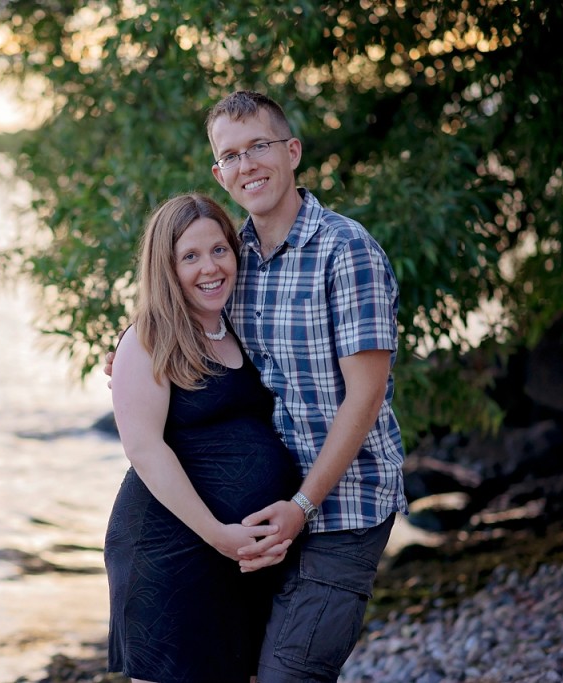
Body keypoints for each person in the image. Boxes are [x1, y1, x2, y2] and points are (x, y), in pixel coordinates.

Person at [106, 91, 408, 682]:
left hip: (341, 506)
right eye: (231, 155)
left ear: (292, 151)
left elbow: (366, 397)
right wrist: (131, 349)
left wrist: (300, 505)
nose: (247, 165)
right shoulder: (235, 257)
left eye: (260, 147)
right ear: (219, 172)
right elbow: (179, 307)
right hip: (259, 531)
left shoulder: (347, 253)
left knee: (289, 675)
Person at [104, 193, 302, 683]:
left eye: (219, 250)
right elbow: (145, 450)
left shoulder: (241, 327)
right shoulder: (149, 337)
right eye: (189, 256)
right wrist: (221, 536)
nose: (209, 267)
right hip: (171, 551)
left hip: (238, 556)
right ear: (165, 268)